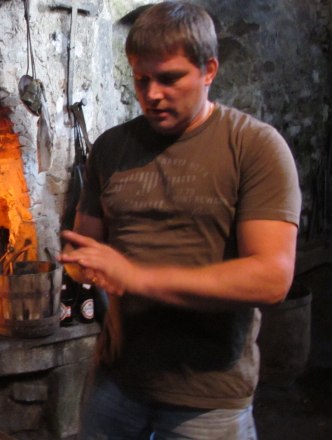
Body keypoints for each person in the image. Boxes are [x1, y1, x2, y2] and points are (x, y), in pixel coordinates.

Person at [59, 2, 301, 439]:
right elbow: (85, 247)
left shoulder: (255, 148)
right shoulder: (111, 148)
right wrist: (82, 264)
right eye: (141, 79)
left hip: (207, 399)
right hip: (116, 382)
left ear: (209, 70)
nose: (152, 94)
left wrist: (136, 277)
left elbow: (271, 278)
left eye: (170, 78)